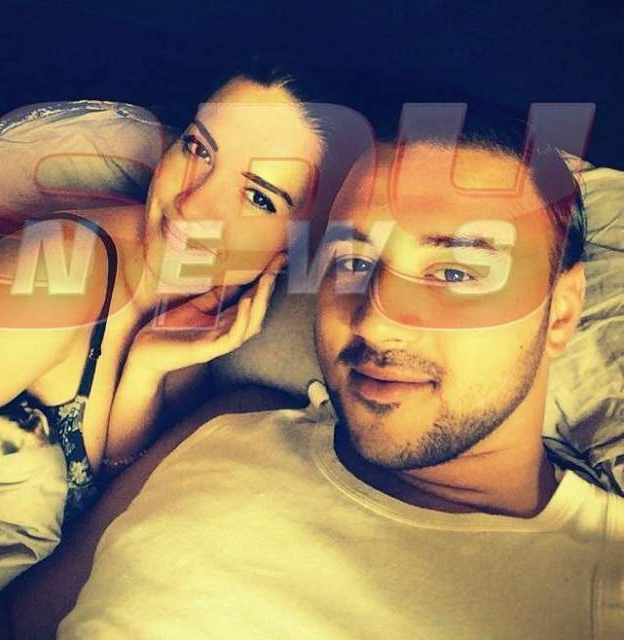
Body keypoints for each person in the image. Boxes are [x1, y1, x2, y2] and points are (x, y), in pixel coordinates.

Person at [54, 125, 623, 639]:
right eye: (353, 262)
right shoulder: (230, 424)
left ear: (562, 314)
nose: (375, 321)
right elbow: (24, 620)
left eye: (454, 273)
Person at [0, 70, 330, 639]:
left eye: (258, 197)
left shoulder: (197, 305)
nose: (192, 204)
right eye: (198, 149)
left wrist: (145, 369)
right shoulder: (56, 276)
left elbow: (105, 499)